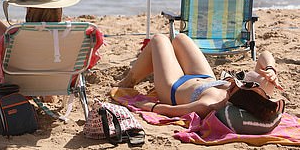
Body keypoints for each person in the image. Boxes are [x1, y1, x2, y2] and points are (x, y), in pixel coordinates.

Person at [118, 33, 281, 118]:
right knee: (180, 39)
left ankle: (127, 83)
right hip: (204, 76)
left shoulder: (209, 104)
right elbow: (265, 54)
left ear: (234, 95)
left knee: (159, 40)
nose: (235, 81)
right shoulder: (258, 94)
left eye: (235, 85)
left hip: (173, 86)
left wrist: (144, 105)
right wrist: (271, 70)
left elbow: (170, 110)